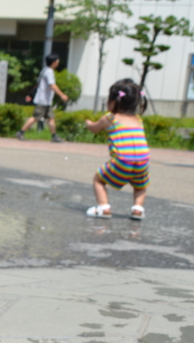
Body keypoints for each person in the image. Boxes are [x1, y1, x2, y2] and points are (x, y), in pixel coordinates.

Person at [84, 79, 150, 220]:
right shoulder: (139, 120)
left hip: (123, 160)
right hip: (143, 160)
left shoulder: (110, 118)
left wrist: (88, 123)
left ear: (113, 101)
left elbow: (94, 129)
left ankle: (103, 208)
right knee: (140, 185)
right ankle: (138, 209)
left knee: (99, 179)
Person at [16, 54, 68, 143]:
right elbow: (52, 85)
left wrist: (31, 95)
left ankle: (54, 136)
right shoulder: (49, 72)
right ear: (54, 62)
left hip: (46, 101)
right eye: (57, 61)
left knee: (51, 118)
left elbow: (38, 84)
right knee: (35, 117)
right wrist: (62, 95)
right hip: (43, 100)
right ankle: (21, 132)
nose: (58, 62)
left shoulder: (45, 70)